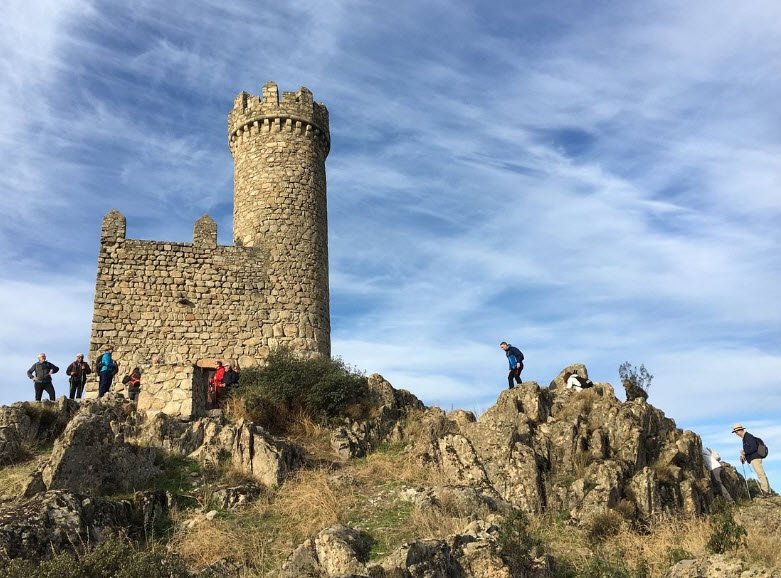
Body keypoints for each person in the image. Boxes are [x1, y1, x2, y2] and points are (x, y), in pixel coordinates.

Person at [732, 423, 772, 496]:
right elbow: (750, 450)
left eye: (736, 432)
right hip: (754, 458)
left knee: (760, 474)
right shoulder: (745, 438)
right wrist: (744, 457)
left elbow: (753, 448)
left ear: (740, 430)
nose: (736, 434)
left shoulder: (748, 436)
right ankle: (767, 491)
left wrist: (744, 452)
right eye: (735, 432)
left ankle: (766, 491)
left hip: (755, 458)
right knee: (761, 473)